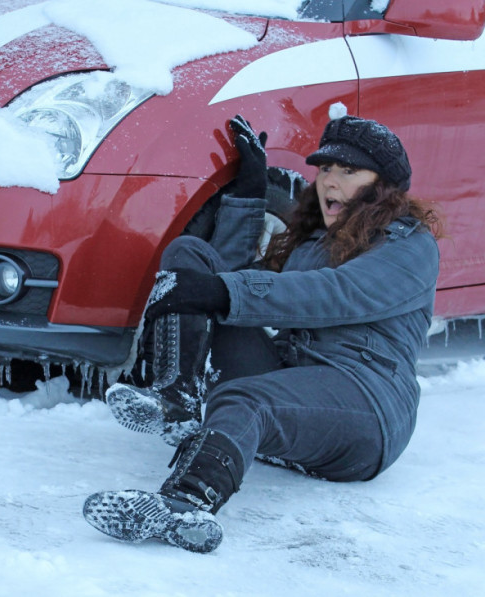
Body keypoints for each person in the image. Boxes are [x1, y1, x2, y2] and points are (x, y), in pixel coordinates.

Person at [82, 112, 442, 553]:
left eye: (349, 171)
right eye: (326, 168)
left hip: (367, 411)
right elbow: (236, 279)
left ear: (383, 186)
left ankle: (185, 503)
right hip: (296, 383)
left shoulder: (409, 246)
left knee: (245, 401)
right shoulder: (312, 244)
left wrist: (220, 292)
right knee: (190, 255)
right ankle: (176, 395)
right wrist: (247, 194)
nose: (331, 181)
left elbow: (335, 293)